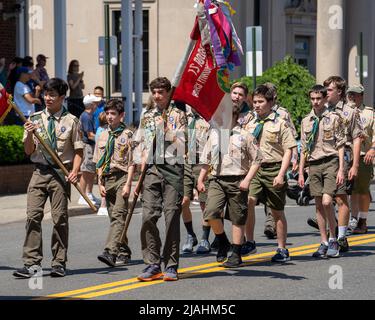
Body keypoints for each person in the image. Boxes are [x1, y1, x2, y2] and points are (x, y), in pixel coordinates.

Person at [13, 78, 84, 278]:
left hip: (60, 174)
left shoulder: (72, 121)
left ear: (62, 97)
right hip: (39, 172)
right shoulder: (34, 119)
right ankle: (31, 264)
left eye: (52, 94)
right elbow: (29, 151)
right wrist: (28, 136)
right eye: (45, 94)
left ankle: (59, 262)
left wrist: (75, 170)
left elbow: (79, 151)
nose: (47, 98)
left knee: (60, 218)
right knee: (33, 216)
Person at [197, 92, 262, 268]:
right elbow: (206, 159)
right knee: (210, 213)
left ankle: (235, 252)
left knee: (237, 218)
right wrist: (200, 179)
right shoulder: (215, 135)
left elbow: (257, 160)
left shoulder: (245, 136)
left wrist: (248, 179)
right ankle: (222, 241)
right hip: (217, 179)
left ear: (234, 116)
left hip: (237, 180)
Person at [136, 77, 187, 282]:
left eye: (161, 92)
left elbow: (186, 147)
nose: (157, 96)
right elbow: (140, 142)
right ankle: (152, 263)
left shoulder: (179, 115)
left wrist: (167, 133)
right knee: (148, 216)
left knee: (171, 217)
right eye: (154, 92)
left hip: (173, 169)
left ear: (168, 93)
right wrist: (139, 165)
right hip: (151, 170)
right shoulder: (146, 116)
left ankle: (171, 264)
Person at [244, 84, 297, 262]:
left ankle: (282, 249)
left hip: (273, 168)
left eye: (261, 102)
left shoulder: (280, 123)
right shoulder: (249, 123)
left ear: (271, 102)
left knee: (276, 212)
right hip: (254, 169)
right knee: (248, 202)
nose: (256, 105)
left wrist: (282, 174)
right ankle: (249, 242)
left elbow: (288, 149)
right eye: (255, 102)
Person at [299, 85, 346, 258]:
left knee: (327, 202)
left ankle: (334, 238)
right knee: (318, 205)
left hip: (331, 161)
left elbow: (340, 144)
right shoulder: (306, 121)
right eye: (312, 99)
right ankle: (324, 241)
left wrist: (341, 168)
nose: (315, 102)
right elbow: (304, 147)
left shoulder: (334, 118)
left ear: (325, 99)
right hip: (313, 164)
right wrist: (302, 172)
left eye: (318, 98)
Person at [94, 99, 135, 267]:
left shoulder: (128, 135)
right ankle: (124, 251)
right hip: (107, 179)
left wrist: (128, 185)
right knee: (114, 219)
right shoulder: (102, 134)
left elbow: (132, 162)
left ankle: (110, 252)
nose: (110, 117)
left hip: (121, 178)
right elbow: (98, 161)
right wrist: (100, 182)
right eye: (108, 113)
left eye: (113, 114)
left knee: (119, 216)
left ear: (121, 115)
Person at [323, 76, 362, 252]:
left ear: (339, 92)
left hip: (343, 157)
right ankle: (330, 234)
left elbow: (356, 139)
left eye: (329, 90)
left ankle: (341, 237)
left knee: (340, 197)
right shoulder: (321, 110)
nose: (326, 93)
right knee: (323, 198)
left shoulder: (350, 111)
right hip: (324, 157)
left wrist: (354, 166)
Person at [262, 82, 299, 240]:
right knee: (265, 196)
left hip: (279, 159)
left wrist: (295, 157)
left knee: (275, 194)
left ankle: (271, 223)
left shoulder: (283, 114)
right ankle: (271, 221)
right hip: (263, 159)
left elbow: (292, 136)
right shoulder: (258, 114)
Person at [181, 106, 211, 254]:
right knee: (183, 201)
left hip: (204, 162)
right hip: (186, 162)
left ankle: (205, 238)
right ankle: (190, 235)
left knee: (204, 203)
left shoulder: (211, 116)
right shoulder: (182, 117)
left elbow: (221, 143)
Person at [347, 85, 375, 234]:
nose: (352, 97)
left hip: (364, 156)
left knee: (362, 190)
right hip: (347, 156)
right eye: (350, 94)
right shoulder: (344, 112)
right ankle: (351, 219)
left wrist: (372, 149)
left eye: (356, 94)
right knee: (350, 191)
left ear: (362, 96)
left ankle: (362, 221)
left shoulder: (369, 113)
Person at [78, 94, 102, 207]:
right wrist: (102, 139)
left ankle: (89, 193)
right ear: (91, 105)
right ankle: (82, 195)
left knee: (91, 171)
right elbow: (89, 134)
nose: (97, 105)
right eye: (95, 103)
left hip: (90, 146)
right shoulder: (86, 117)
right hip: (87, 146)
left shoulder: (89, 115)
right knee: (86, 171)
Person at [95, 111, 109, 216]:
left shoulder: (98, 130)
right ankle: (103, 204)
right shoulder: (103, 132)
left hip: (100, 160)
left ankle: (104, 204)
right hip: (103, 160)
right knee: (103, 181)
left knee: (102, 181)